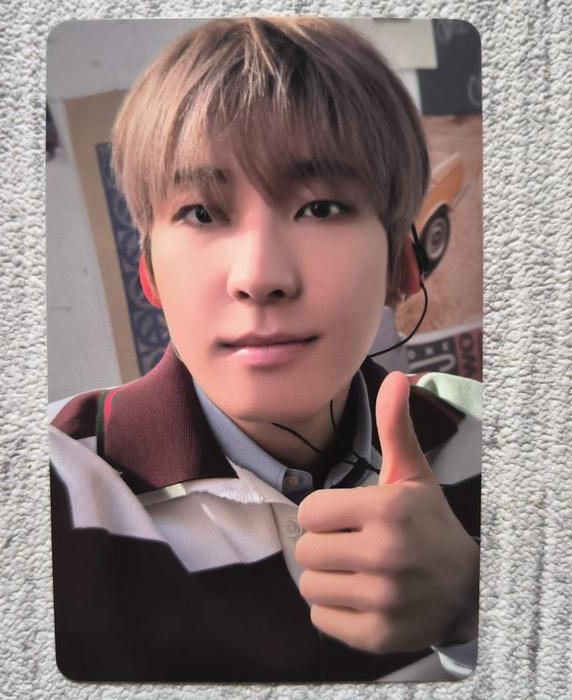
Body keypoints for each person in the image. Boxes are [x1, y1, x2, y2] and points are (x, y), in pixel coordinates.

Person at [49, 17, 481, 682]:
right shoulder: (49, 488)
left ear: (402, 268)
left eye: (322, 207)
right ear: (151, 276)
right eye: (201, 212)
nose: (259, 277)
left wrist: (473, 611)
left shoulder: (495, 448)